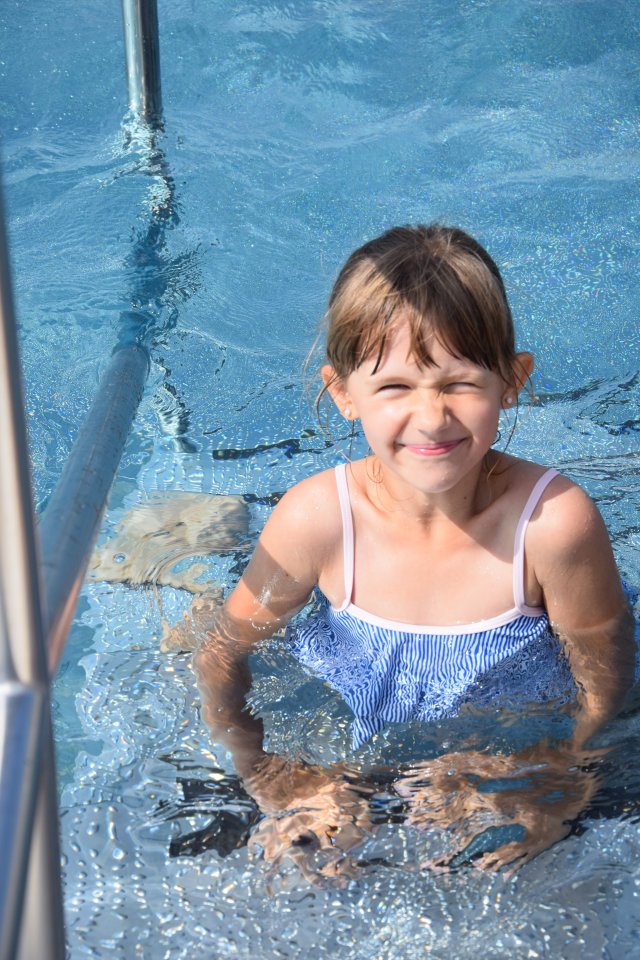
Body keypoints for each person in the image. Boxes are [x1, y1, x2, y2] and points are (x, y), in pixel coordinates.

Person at [193, 224, 635, 878]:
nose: (431, 418)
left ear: (512, 381)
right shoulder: (318, 519)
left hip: (505, 739)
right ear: (343, 393)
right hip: (360, 725)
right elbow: (222, 654)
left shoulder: (551, 524)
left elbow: (605, 680)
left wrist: (551, 778)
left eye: (459, 383)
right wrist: (272, 776)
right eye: (395, 387)